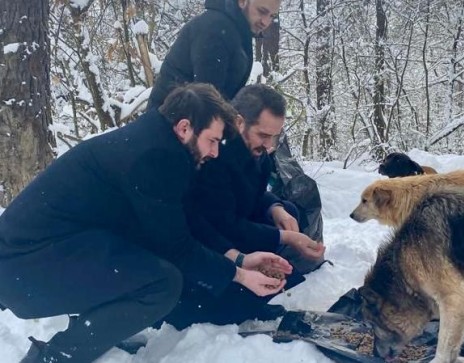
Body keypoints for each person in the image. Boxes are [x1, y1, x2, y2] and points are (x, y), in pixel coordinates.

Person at [0, 83, 292, 363]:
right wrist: (239, 275)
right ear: (184, 128)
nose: (215, 152)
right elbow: (178, 248)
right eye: (212, 140)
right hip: (25, 265)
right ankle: (55, 357)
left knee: (145, 262)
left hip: (41, 255)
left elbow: (183, 222)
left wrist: (238, 258)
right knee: (162, 283)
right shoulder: (154, 158)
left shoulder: (157, 142)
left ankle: (97, 327)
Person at [183, 84, 326, 322]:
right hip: (212, 239)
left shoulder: (255, 151)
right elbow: (225, 224)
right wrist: (286, 238)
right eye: (263, 135)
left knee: (288, 211)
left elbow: (254, 193)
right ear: (239, 122)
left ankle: (257, 282)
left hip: (234, 224)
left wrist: (275, 208)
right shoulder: (216, 157)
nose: (270, 146)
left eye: (274, 136)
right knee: (235, 305)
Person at [147, 0, 281, 110]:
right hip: (171, 129)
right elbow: (207, 100)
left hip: (182, 126)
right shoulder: (216, 29)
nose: (265, 22)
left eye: (272, 16)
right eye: (262, 11)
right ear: (242, 2)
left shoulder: (234, 30)